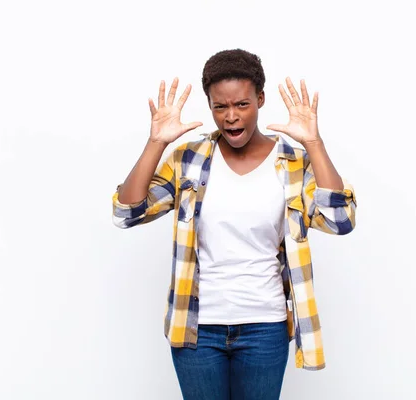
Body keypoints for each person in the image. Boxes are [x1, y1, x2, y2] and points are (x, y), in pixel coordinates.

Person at [112, 49, 357, 400]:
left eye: (242, 105)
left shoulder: (292, 162)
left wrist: (313, 143)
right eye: (220, 107)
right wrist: (157, 143)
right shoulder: (189, 160)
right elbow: (126, 212)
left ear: (260, 99)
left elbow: (341, 220)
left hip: (265, 327)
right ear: (209, 106)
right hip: (197, 329)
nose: (230, 117)